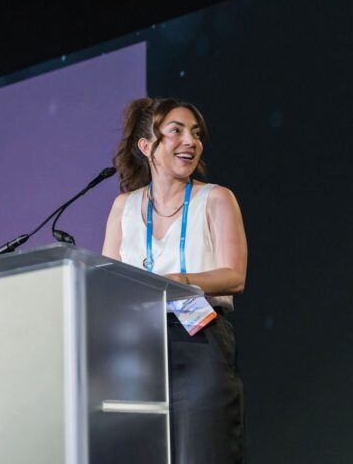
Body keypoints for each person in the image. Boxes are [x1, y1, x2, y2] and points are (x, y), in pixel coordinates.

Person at [102, 97, 247, 464]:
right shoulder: (124, 206)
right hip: (135, 346)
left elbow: (235, 275)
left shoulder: (215, 198)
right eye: (177, 131)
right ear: (147, 146)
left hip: (199, 337)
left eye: (196, 134)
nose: (191, 141)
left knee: (202, 453)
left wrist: (176, 281)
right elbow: (105, 282)